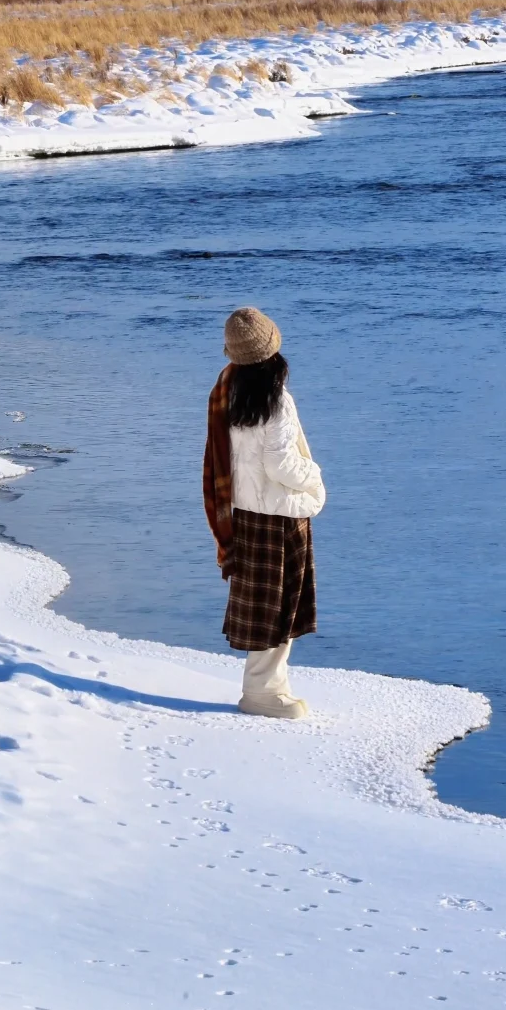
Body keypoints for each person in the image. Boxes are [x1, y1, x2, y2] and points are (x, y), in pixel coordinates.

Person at [203, 307, 325, 720]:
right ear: (274, 346)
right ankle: (262, 693)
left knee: (264, 606)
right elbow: (281, 464)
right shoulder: (275, 399)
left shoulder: (226, 389)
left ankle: (270, 686)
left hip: (246, 512)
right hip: (280, 514)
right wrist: (316, 478)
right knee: (279, 607)